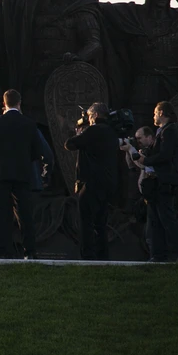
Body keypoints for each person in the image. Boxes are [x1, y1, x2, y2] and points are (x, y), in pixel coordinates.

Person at [0, 0, 107, 126]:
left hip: (66, 79)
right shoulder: (36, 2)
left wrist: (78, 57)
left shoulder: (80, 9)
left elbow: (93, 43)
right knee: (33, 119)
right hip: (37, 75)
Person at [0, 90, 42, 259]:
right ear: (19, 103)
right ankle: (30, 252)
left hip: (0, 174)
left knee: (1, 213)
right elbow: (37, 151)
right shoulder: (29, 124)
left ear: (4, 103)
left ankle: (1, 251)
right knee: (25, 214)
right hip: (23, 175)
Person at [64, 102, 120, 260]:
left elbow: (70, 144)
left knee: (86, 221)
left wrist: (78, 133)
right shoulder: (111, 132)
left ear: (95, 115)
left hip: (92, 183)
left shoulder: (93, 130)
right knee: (101, 223)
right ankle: (103, 256)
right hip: (108, 182)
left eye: (89, 116)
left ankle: (88, 256)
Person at [135, 102, 178, 262]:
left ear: (162, 113)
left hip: (165, 181)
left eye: (155, 113)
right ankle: (158, 255)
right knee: (155, 220)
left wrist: (147, 160)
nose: (153, 116)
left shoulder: (170, 131)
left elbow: (165, 155)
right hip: (156, 183)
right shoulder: (161, 131)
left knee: (168, 219)